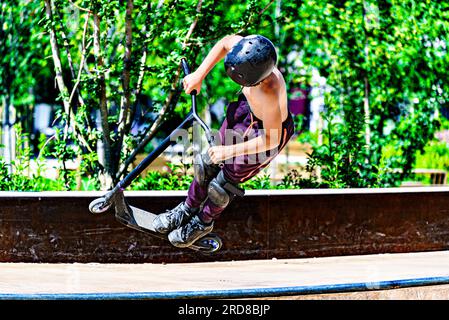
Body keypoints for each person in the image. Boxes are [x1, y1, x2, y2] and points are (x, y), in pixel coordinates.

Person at [152, 34, 295, 248]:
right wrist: (199, 75)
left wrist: (230, 152)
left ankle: (202, 223)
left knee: (224, 183)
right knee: (206, 163)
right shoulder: (247, 49)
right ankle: (186, 209)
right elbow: (224, 42)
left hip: (265, 133)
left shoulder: (270, 89)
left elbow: (271, 139)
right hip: (245, 113)